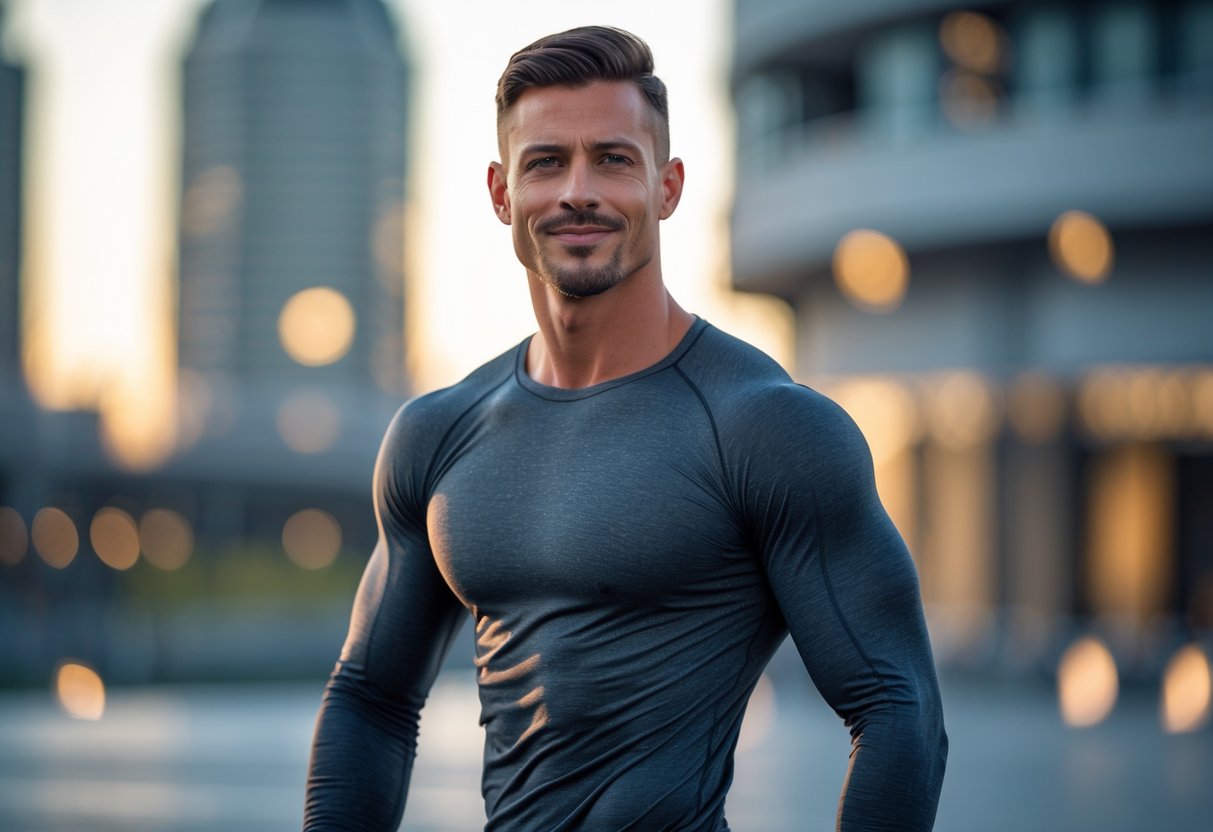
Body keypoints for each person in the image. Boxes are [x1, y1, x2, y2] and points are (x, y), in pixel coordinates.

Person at [304, 25, 946, 831]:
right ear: (502, 193)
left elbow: (897, 707)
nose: (578, 191)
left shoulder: (765, 428)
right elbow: (370, 697)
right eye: (546, 162)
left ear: (667, 187)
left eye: (612, 159)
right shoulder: (437, 435)